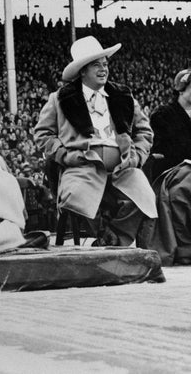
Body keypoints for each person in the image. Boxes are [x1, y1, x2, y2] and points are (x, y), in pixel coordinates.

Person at [33, 36, 157, 246]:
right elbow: (43, 135)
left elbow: (144, 132)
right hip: (82, 167)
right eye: (96, 65)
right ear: (82, 70)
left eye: (105, 64)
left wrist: (136, 157)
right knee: (79, 201)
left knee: (145, 198)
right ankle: (100, 244)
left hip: (123, 169)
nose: (103, 69)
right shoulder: (60, 98)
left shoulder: (123, 96)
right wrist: (66, 156)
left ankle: (112, 239)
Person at [146, 68, 191, 264]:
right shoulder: (163, 115)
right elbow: (162, 152)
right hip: (174, 170)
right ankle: (185, 247)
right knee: (182, 191)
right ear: (181, 89)